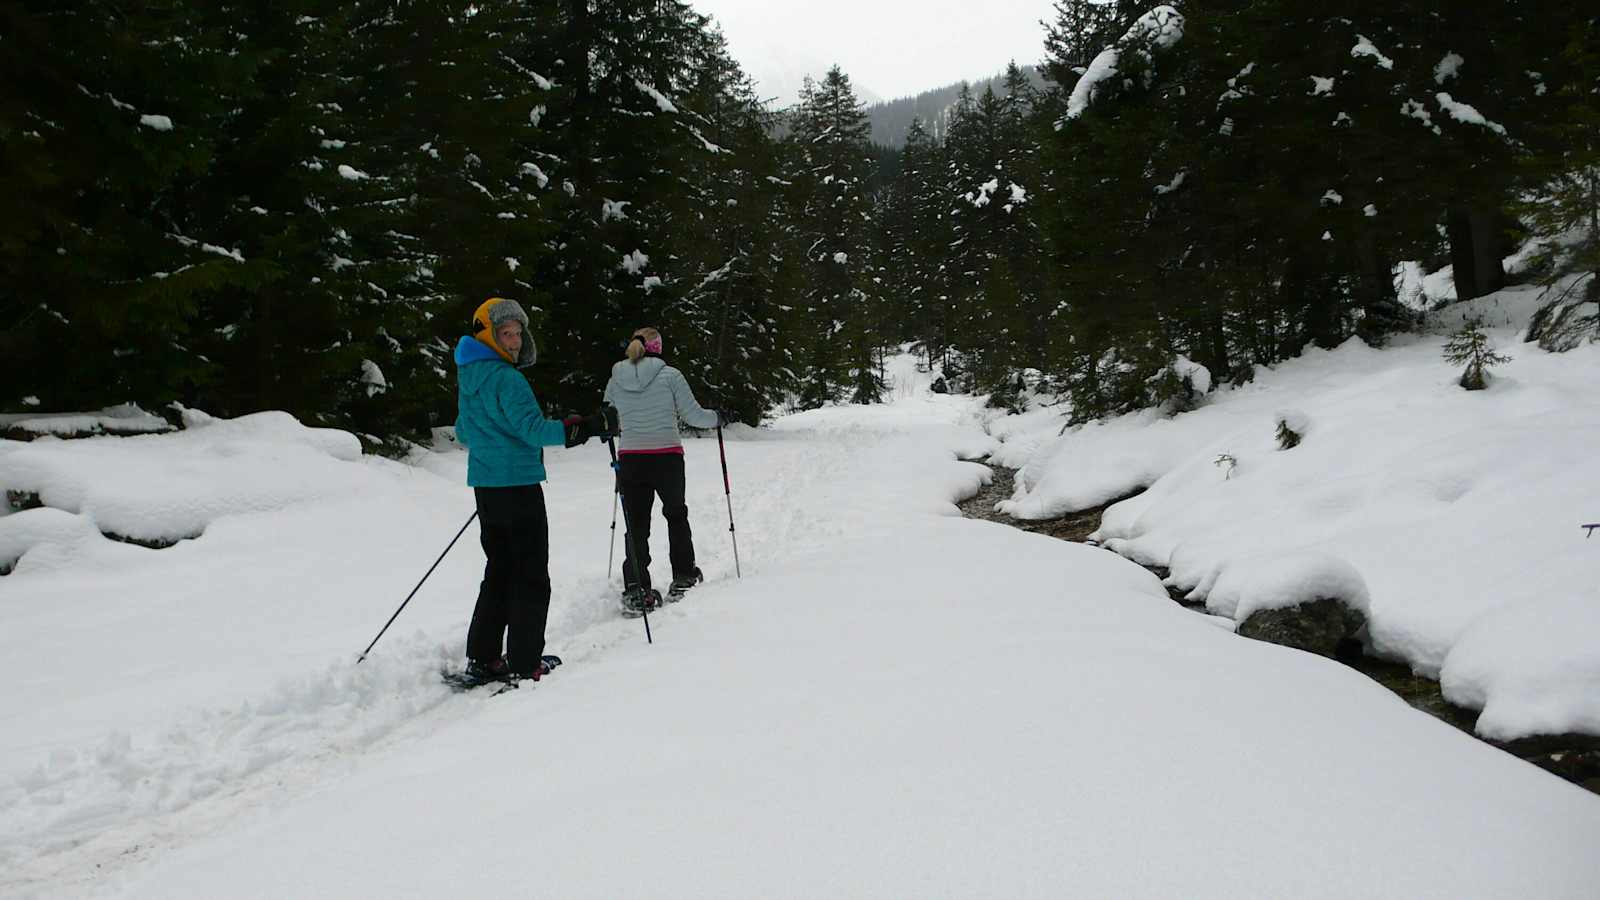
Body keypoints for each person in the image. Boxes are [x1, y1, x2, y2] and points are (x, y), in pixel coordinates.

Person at [454, 297, 604, 683]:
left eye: (519, 333)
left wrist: (494, 453)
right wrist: (583, 427)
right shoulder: (508, 378)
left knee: (500, 570)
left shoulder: (469, 376)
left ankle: (483, 656)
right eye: (507, 333)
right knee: (530, 574)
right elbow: (535, 430)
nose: (515, 341)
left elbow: (465, 432)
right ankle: (524, 660)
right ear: (489, 335)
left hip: (487, 487)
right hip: (518, 487)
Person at [603, 326, 723, 611]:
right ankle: (683, 575)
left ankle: (636, 586)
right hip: (667, 456)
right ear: (657, 348)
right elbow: (693, 415)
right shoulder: (670, 376)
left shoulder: (616, 377)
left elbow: (607, 413)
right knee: (676, 515)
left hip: (630, 458)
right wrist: (717, 417)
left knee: (636, 523)